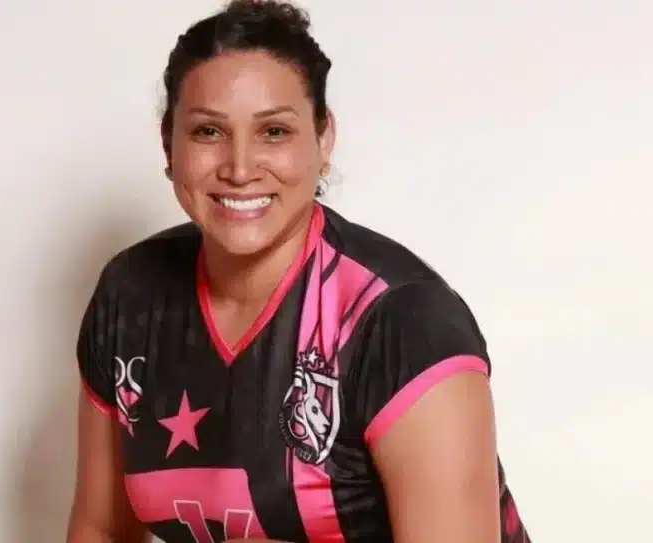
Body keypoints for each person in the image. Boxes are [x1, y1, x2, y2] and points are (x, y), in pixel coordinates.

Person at [65, 1, 531, 542]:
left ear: (323, 139)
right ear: (168, 142)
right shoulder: (130, 296)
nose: (240, 168)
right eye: (208, 131)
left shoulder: (403, 320)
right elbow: (102, 528)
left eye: (274, 132)